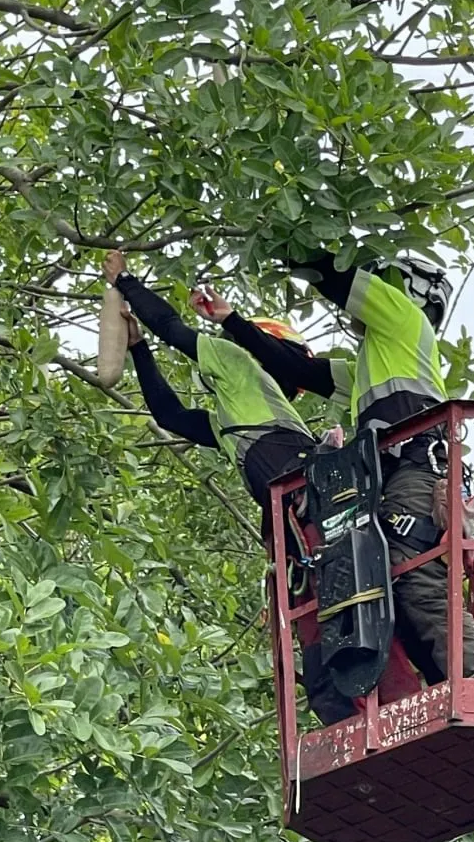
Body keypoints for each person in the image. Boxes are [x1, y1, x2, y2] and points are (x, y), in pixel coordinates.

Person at [104, 251, 421, 721]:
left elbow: (172, 328)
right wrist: (137, 348)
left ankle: (395, 709)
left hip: (311, 518)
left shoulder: (242, 374)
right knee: (326, 646)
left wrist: (124, 282)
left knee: (348, 622)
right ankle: (358, 718)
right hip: (297, 532)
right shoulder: (234, 413)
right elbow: (170, 414)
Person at [190, 253, 474, 682]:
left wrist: (287, 241)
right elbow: (294, 368)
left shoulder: (405, 319)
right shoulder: (371, 365)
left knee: (421, 589)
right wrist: (231, 320)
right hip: (392, 482)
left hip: (417, 470)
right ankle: (449, 692)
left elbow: (333, 275)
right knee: (393, 593)